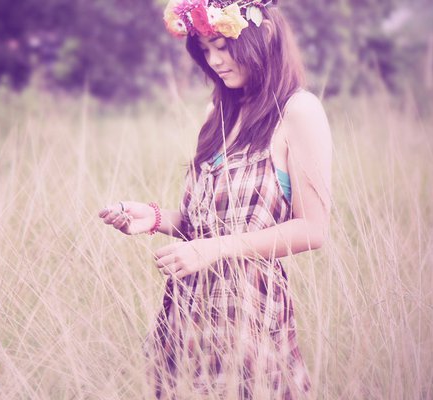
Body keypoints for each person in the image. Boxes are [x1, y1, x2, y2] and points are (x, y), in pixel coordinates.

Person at [98, 0, 332, 398]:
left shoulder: (299, 111)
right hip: (188, 306)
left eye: (222, 46)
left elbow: (313, 229)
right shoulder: (218, 112)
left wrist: (216, 249)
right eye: (205, 51)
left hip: (249, 311)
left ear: (262, 37)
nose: (216, 61)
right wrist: (154, 219)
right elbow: (207, 223)